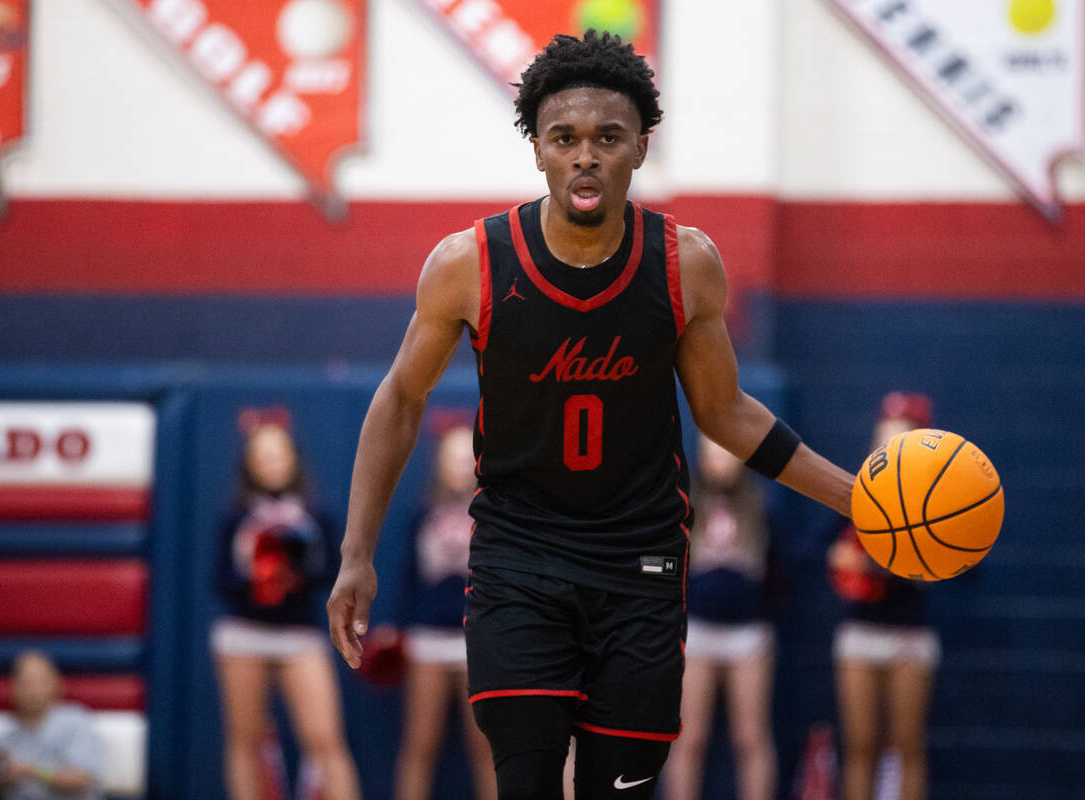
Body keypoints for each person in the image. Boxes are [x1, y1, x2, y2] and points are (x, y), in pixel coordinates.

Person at [327, 30, 854, 800]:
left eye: (608, 137)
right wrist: (357, 553)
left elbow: (726, 413)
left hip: (639, 565)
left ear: (640, 148)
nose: (586, 155)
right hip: (518, 560)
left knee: (620, 790)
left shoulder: (687, 264)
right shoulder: (467, 263)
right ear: (536, 148)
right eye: (564, 138)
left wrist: (859, 500)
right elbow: (400, 400)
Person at [212, 409, 361, 800]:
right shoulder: (236, 516)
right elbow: (219, 580)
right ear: (249, 464)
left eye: (277, 454)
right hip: (244, 633)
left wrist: (294, 574)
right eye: (261, 456)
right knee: (244, 742)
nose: (271, 463)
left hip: (299, 633)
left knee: (326, 740)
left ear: (293, 457)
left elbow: (333, 572)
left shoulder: (316, 515)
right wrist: (257, 578)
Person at [827, 392, 940, 800]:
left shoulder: (937, 502)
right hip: (860, 628)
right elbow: (812, 548)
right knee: (860, 746)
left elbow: (967, 571)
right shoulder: (860, 493)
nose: (888, 447)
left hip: (910, 631)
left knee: (907, 745)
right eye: (883, 438)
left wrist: (904, 565)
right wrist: (838, 555)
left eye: (899, 439)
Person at [663, 436, 778, 800]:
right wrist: (683, 569)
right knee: (689, 737)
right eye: (712, 448)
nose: (720, 458)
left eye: (727, 449)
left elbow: (785, 571)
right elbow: (649, 565)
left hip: (749, 636)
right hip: (696, 632)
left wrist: (762, 595)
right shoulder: (682, 505)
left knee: (750, 737)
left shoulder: (761, 507)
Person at [393, 422, 497, 800]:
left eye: (465, 458)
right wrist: (399, 630)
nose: (458, 466)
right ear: (438, 463)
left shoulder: (494, 517)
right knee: (420, 747)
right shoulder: (421, 515)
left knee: (486, 751)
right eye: (450, 458)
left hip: (479, 643)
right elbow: (407, 578)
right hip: (429, 641)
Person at [0, 650, 103, 800]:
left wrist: (31, 771)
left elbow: (82, 779)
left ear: (56, 683)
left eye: (39, 681)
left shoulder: (74, 721)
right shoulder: (8, 734)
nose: (32, 690)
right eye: (25, 682)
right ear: (14, 687)